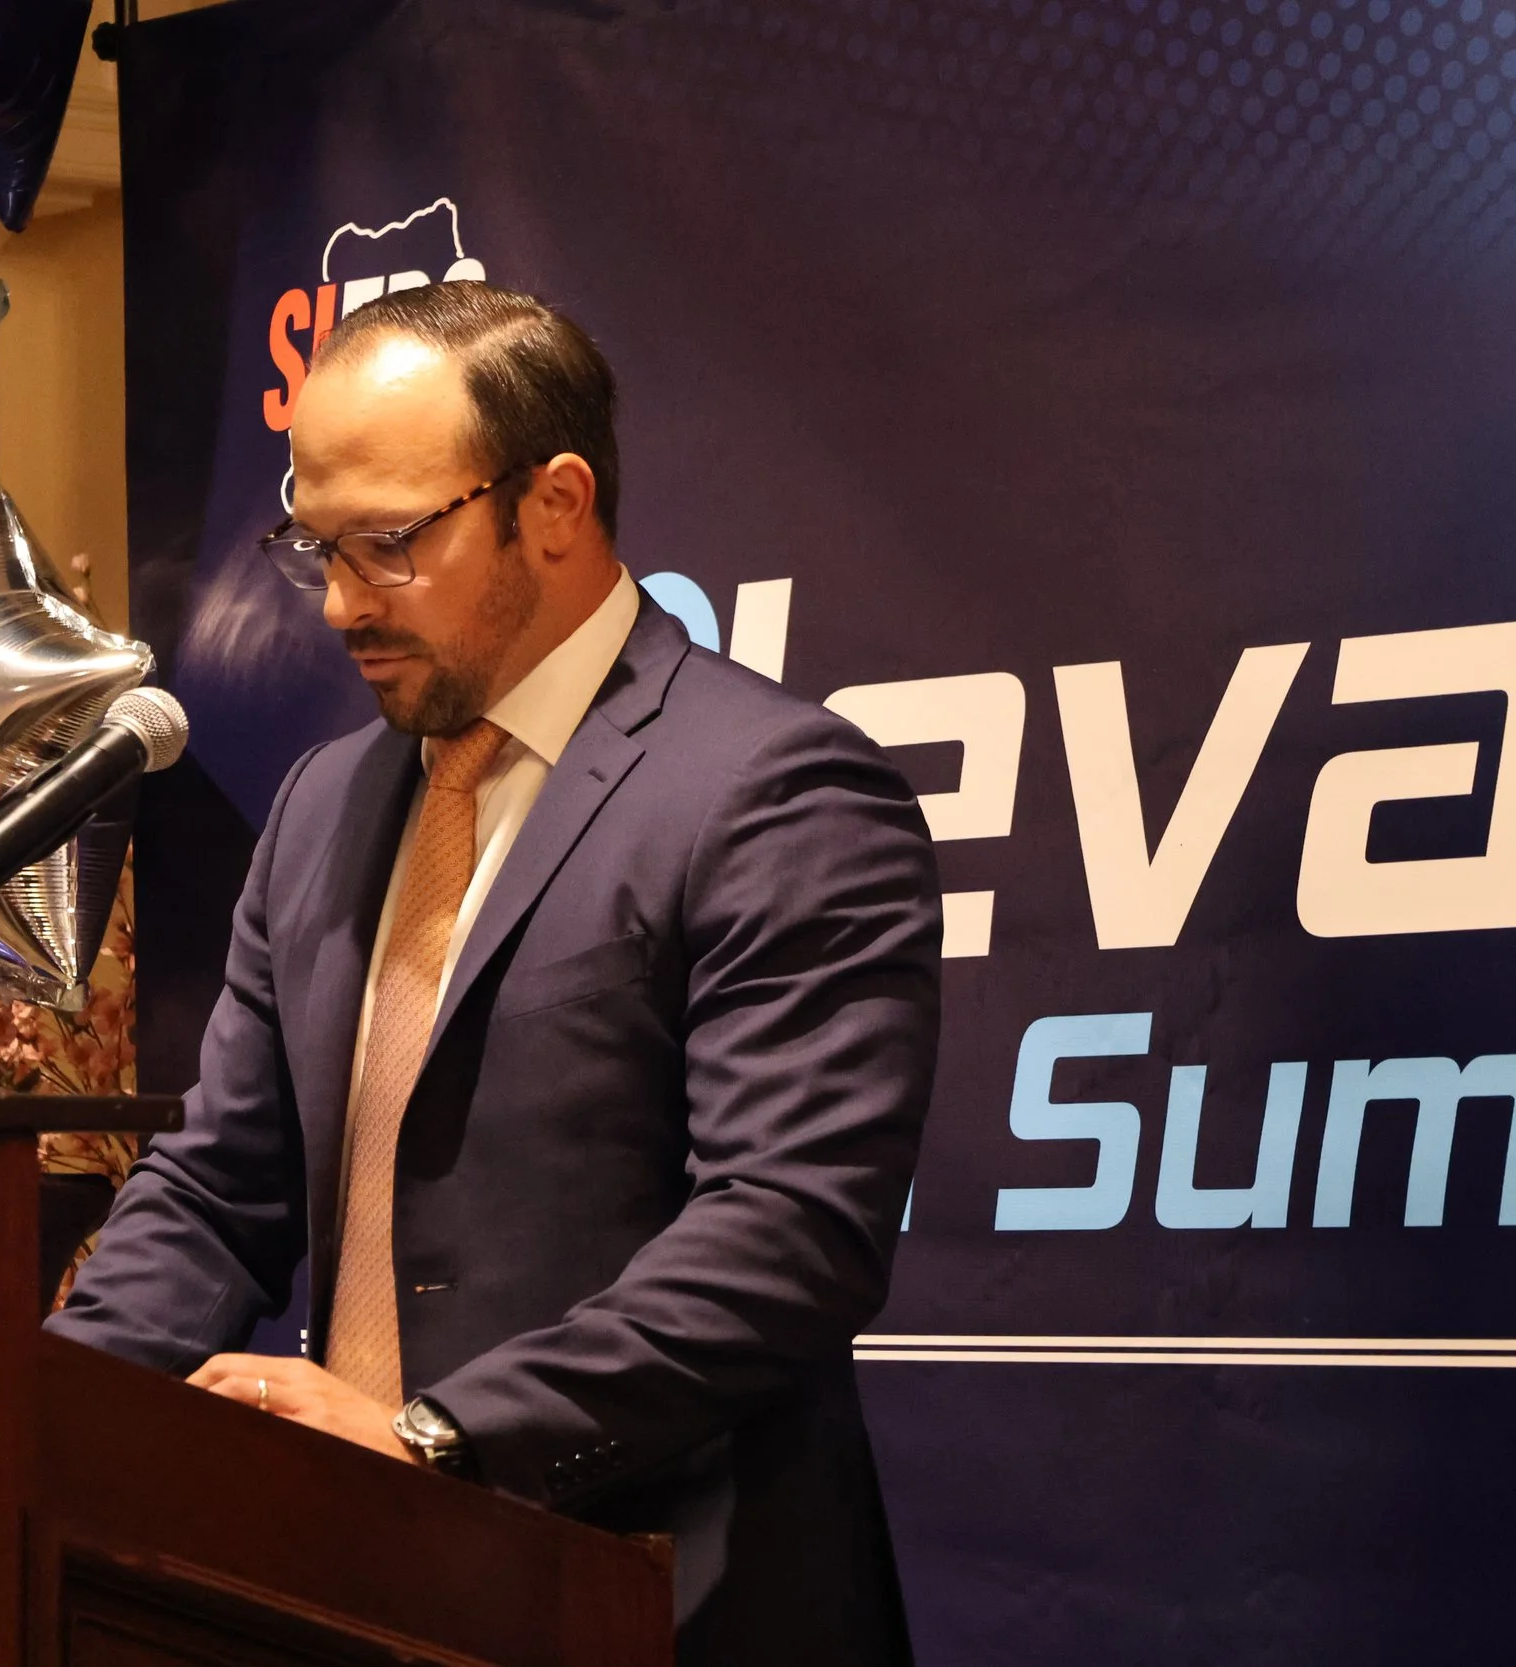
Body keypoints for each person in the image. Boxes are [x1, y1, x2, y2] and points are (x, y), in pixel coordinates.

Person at [49, 281, 941, 1664]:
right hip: (360, 1597)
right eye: (315, 546)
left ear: (556, 504)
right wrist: (41, 1413)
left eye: (389, 544)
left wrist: (439, 1441)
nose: (341, 602)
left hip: (663, 1602)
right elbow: (222, 1188)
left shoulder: (772, 793)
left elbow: (789, 1232)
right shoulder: (321, 805)